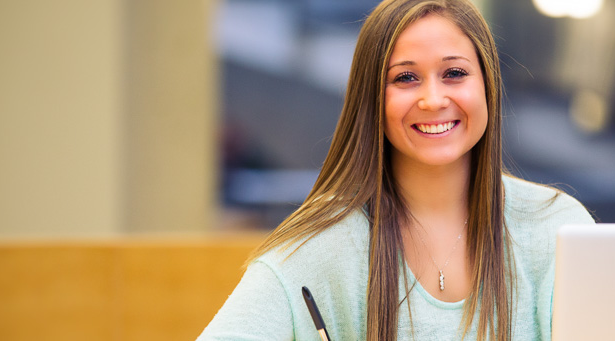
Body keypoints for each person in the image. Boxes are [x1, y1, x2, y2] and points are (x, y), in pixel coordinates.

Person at [198, 0, 594, 339]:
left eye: (454, 73)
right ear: (372, 98)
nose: (433, 99)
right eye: (405, 78)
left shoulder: (557, 229)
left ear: (487, 84)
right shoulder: (319, 245)